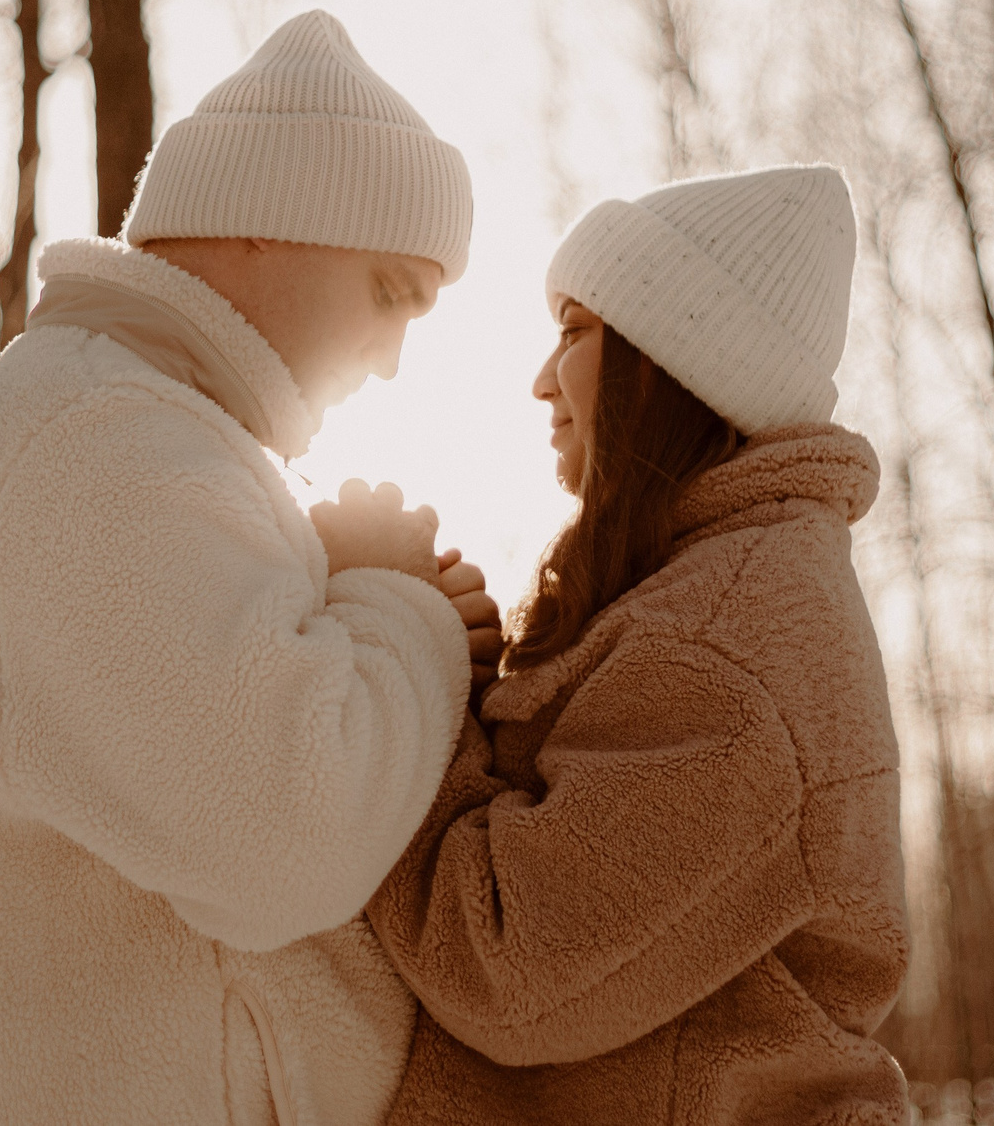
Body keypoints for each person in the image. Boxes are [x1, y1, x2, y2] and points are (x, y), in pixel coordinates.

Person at [0, 9, 500, 1126]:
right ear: (264, 224)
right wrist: (398, 607)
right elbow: (284, 837)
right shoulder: (92, 443)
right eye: (391, 291)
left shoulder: (138, 436)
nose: (394, 360)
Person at [368, 165, 911, 1125]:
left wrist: (408, 679)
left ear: (672, 366)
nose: (542, 379)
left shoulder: (724, 648)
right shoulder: (707, 590)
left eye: (575, 331)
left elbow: (505, 961)